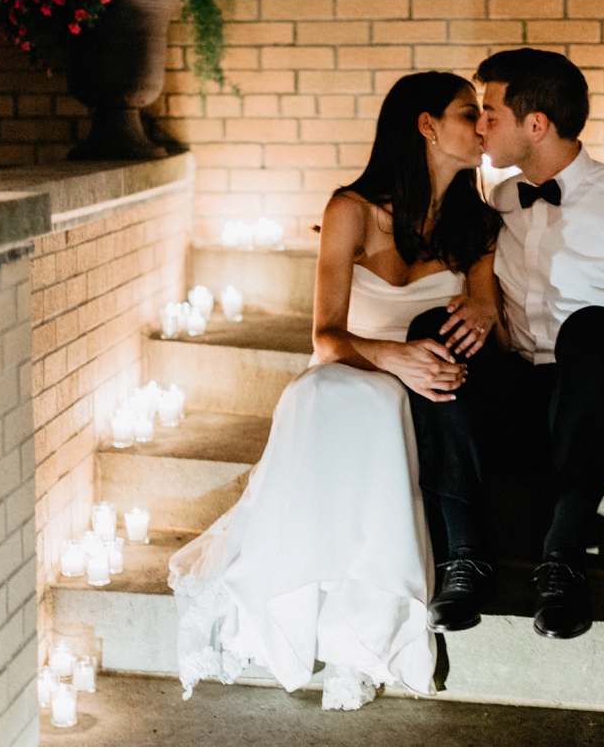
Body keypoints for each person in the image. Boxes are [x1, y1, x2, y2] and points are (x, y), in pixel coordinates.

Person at [168, 71, 502, 710]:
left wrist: (482, 303)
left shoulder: (478, 224)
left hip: (431, 393)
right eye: (469, 113)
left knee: (375, 403)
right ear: (427, 126)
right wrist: (391, 357)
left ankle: (361, 640)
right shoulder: (349, 209)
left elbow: (482, 313)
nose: (483, 126)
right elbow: (325, 337)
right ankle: (317, 615)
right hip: (356, 367)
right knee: (327, 392)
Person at [413, 48, 604, 641]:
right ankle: (465, 556)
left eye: (491, 114)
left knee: (596, 327)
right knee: (432, 329)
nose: (480, 127)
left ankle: (564, 558)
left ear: (536, 125)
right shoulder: (498, 202)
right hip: (521, 402)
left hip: (599, 403)